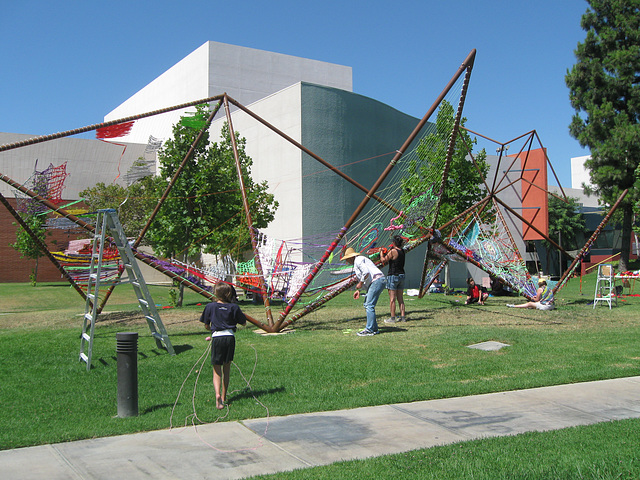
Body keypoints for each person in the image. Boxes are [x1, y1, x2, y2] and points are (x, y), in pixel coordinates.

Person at [199, 282, 247, 409]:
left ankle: (217, 395)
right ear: (229, 294)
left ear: (215, 293)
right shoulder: (234, 307)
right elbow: (243, 323)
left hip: (217, 338)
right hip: (229, 337)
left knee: (216, 370)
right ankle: (224, 397)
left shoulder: (210, 306)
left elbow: (206, 324)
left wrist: (210, 328)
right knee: (227, 369)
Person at [342, 247, 386, 336]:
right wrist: (359, 289)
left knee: (369, 305)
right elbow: (366, 278)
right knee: (367, 304)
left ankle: (370, 329)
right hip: (377, 281)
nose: (347, 261)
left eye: (347, 259)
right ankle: (374, 328)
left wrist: (360, 283)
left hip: (377, 280)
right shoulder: (360, 260)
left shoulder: (358, 260)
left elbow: (366, 273)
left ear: (351, 257)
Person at [382, 235, 406, 323]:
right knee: (400, 298)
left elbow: (384, 260)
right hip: (401, 275)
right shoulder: (402, 251)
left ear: (394, 243)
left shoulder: (393, 251)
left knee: (392, 299)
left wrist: (381, 253)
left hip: (393, 276)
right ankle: (403, 317)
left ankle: (392, 318)